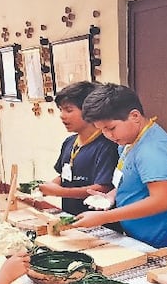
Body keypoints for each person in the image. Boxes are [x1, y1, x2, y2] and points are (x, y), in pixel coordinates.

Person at [71, 83, 167, 248]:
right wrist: (112, 195)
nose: (108, 135)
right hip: (136, 233)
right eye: (102, 130)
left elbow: (162, 200)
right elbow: (133, 177)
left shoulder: (153, 151)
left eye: (111, 128)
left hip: (158, 240)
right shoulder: (129, 140)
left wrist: (104, 217)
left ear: (134, 116)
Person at [38, 81, 118, 215]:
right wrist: (49, 187)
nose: (62, 116)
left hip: (98, 219)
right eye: (61, 110)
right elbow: (64, 176)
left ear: (90, 111)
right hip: (70, 216)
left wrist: (60, 192)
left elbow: (103, 187)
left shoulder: (106, 145)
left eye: (69, 110)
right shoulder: (69, 142)